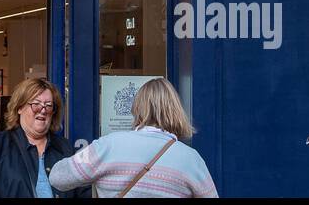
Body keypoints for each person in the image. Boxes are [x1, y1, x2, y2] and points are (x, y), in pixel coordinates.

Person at [49, 78, 217, 198]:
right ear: (176, 110)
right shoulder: (191, 159)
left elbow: (57, 178)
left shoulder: (108, 145)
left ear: (137, 108)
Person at [0, 77, 85, 198]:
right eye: (36, 104)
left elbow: (84, 190)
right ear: (20, 108)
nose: (43, 110)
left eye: (48, 105)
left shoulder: (65, 149)